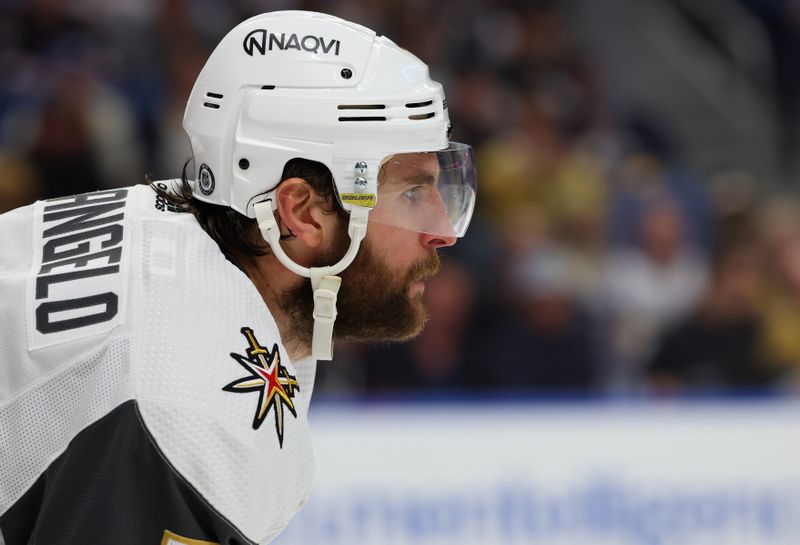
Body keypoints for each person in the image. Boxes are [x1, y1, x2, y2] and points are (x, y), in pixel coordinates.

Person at [0, 11, 477, 545]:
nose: (443, 230)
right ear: (301, 211)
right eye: (413, 193)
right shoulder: (185, 414)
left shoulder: (169, 224)